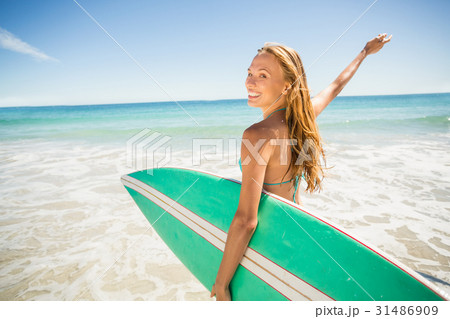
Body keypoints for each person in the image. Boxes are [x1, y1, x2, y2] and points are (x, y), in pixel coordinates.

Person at [210, 33, 392, 301]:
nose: (249, 81)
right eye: (249, 72)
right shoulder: (303, 117)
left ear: (286, 85)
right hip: (296, 228)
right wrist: (364, 52)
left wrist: (222, 284)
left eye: (262, 75)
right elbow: (335, 86)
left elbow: (247, 221)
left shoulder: (257, 134)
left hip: (267, 241)